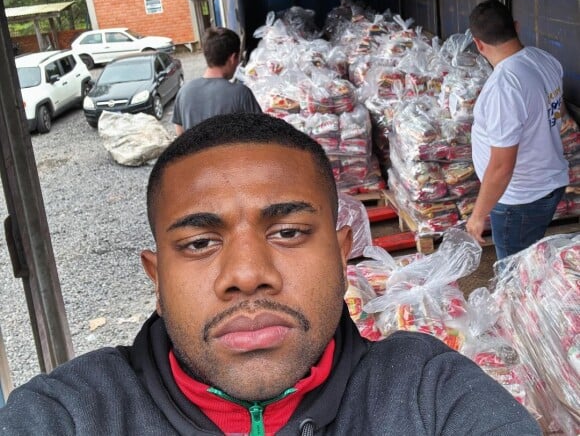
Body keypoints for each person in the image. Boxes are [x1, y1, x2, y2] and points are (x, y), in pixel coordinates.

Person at [0, 113, 540, 435]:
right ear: (156, 278)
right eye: (199, 242)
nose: (247, 274)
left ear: (342, 254)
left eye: (287, 233)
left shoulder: (429, 393)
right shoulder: (69, 414)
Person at [466, 0, 569, 259]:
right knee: (530, 265)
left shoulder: (505, 87)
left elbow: (502, 166)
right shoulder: (544, 59)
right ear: (515, 27)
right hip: (548, 183)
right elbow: (558, 112)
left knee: (513, 278)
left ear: (478, 44)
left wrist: (478, 215)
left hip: (520, 200)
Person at [172, 26, 261, 135]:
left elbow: (180, 134)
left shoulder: (183, 92)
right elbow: (260, 136)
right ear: (233, 58)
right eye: (238, 58)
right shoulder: (241, 94)